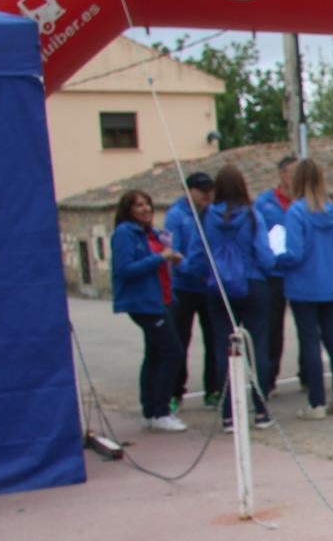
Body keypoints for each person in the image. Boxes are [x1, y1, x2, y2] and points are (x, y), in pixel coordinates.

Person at [181, 165, 276, 431]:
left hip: (219, 287)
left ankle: (228, 414)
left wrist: (188, 270)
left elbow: (198, 255)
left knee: (224, 349)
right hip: (253, 283)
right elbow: (264, 254)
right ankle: (261, 410)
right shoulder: (253, 216)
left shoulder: (206, 218)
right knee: (257, 348)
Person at [278, 158, 333, 421]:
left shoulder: (296, 212)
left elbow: (294, 253)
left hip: (303, 286)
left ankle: (316, 402)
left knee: (309, 342)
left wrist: (277, 257)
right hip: (331, 284)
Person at [108, 189, 187, 433]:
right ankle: (161, 410)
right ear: (128, 210)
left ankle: (150, 410)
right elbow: (125, 268)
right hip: (145, 304)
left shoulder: (150, 234)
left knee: (154, 355)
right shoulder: (124, 234)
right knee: (173, 353)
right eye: (138, 205)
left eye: (147, 204)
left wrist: (171, 257)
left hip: (160, 299)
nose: (145, 209)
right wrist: (159, 258)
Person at [163, 171, 219, 411]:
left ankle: (213, 390)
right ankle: (175, 392)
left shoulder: (214, 213)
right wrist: (188, 266)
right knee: (180, 341)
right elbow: (172, 251)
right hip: (184, 287)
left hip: (208, 287)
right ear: (189, 190)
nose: (207, 194)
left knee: (214, 340)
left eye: (210, 189)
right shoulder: (176, 216)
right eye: (201, 189)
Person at [255, 155, 298, 392]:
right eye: (292, 172)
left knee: (309, 327)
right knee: (273, 328)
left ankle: (308, 374)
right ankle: (269, 377)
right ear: (282, 173)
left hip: (300, 271)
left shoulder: (305, 202)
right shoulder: (264, 203)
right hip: (273, 274)